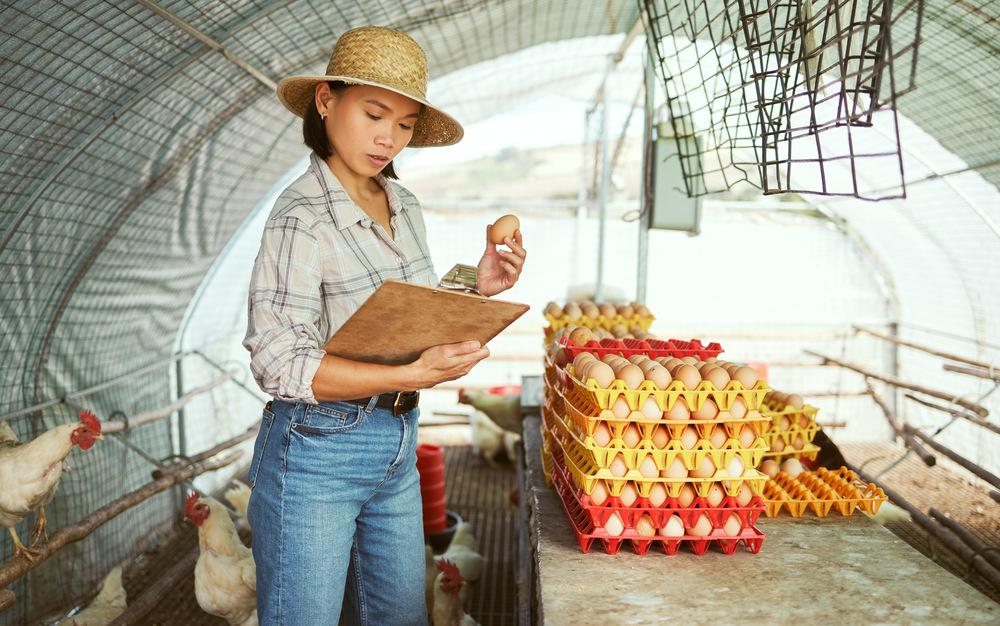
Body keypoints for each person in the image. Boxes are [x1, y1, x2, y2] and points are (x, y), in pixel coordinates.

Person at [241, 26, 526, 626]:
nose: (387, 138)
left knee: (402, 617)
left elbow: (406, 310)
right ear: (326, 101)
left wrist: (479, 286)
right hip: (315, 449)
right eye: (374, 113)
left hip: (396, 443)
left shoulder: (405, 205)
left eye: (403, 124)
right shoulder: (301, 217)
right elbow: (278, 361)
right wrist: (413, 371)